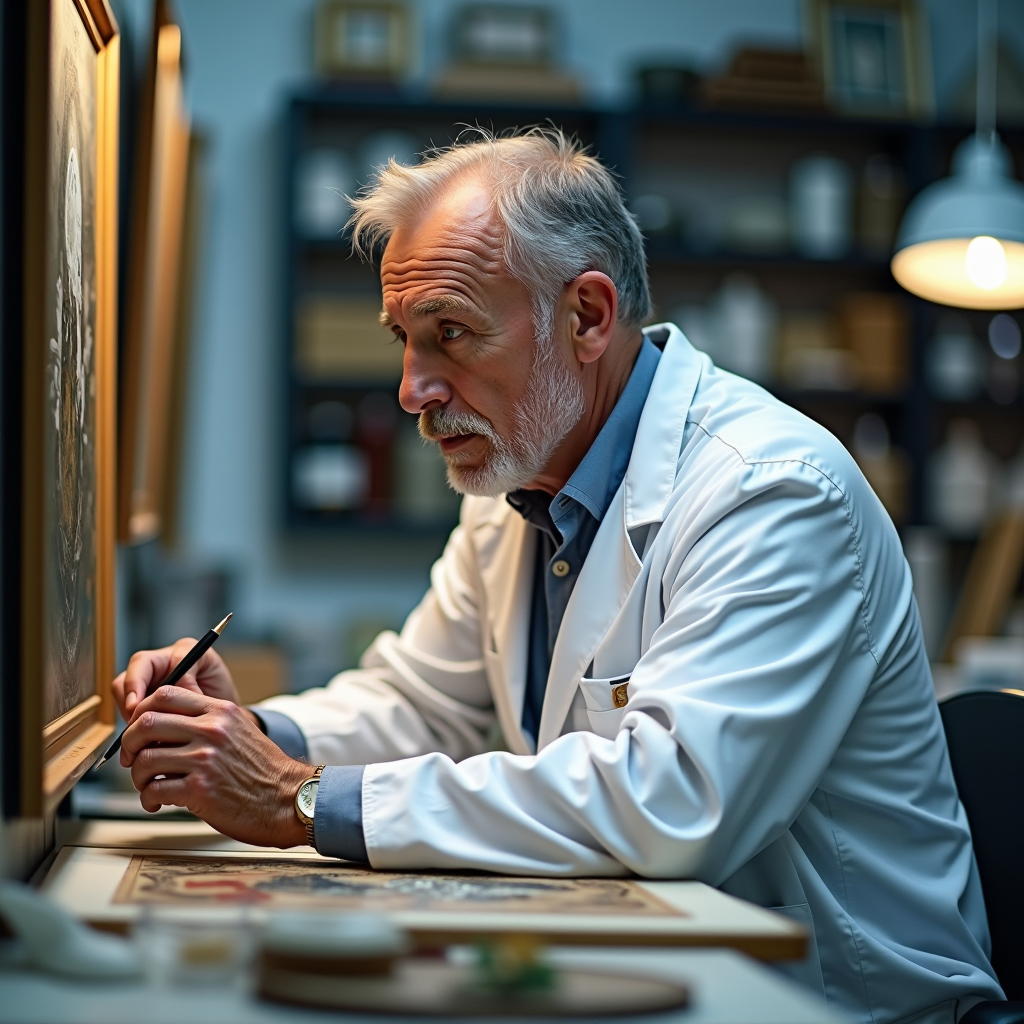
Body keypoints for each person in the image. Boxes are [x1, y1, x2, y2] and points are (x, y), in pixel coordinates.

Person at [113, 129, 1001, 1021]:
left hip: (846, 1002)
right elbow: (425, 704)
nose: (412, 388)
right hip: (673, 960)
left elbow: (672, 802)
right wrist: (237, 729)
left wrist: (295, 796)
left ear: (586, 316)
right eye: (404, 340)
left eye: (451, 334)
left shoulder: (771, 491)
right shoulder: (518, 485)